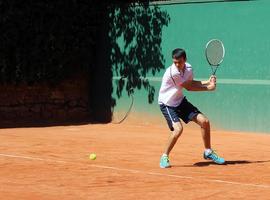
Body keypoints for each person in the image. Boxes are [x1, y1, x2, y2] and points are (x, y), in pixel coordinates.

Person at [158, 48, 225, 168]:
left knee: (204, 121)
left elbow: (190, 82)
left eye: (179, 62)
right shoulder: (173, 72)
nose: (177, 64)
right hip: (167, 103)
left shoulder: (188, 68)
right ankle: (164, 156)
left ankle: (208, 151)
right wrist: (208, 88)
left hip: (179, 101)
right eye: (175, 62)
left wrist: (207, 82)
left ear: (185, 60)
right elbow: (189, 88)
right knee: (178, 129)